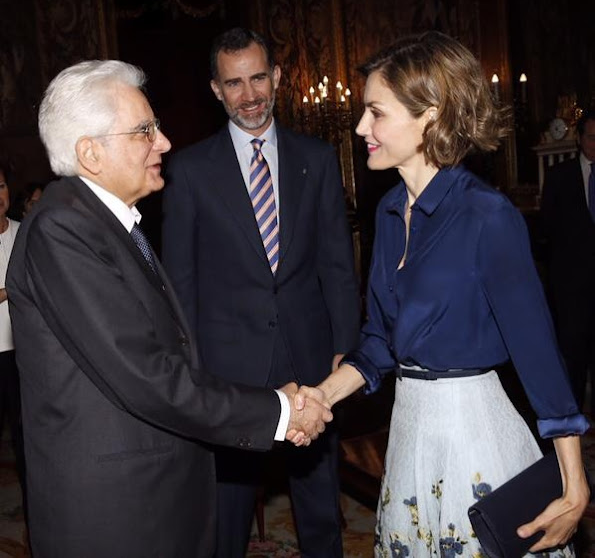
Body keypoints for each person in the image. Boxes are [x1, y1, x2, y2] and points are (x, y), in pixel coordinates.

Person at [6, 59, 331, 558]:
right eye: (144, 131)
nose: (164, 143)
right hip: (119, 516)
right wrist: (280, 410)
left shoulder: (108, 223)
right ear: (90, 153)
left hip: (152, 496)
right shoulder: (63, 230)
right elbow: (146, 374)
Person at [296, 31, 590, 557]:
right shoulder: (388, 214)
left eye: (376, 113)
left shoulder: (486, 216)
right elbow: (382, 342)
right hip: (409, 435)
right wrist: (322, 395)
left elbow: (538, 351)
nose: (361, 127)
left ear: (429, 114)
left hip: (475, 440)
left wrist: (574, 482)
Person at [162, 27, 360, 558]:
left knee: (320, 502)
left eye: (257, 78)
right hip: (228, 367)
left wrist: (346, 348)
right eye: (233, 83)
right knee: (228, 509)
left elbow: (337, 264)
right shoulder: (188, 170)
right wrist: (193, 366)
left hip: (311, 355)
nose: (248, 95)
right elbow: (180, 281)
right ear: (215, 89)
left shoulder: (316, 159)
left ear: (276, 78)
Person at [541, 110, 595, 416]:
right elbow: (548, 228)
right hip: (571, 286)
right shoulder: (560, 176)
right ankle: (572, 419)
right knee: (572, 354)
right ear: (579, 138)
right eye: (590, 137)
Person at [0, 164, 26, 516]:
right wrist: (13, 288)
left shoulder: (25, 232)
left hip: (22, 354)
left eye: (1, 185)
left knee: (26, 439)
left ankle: (37, 514)